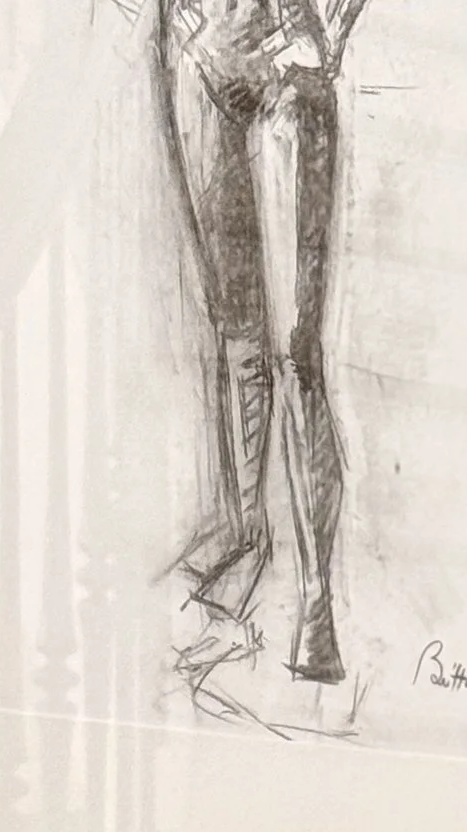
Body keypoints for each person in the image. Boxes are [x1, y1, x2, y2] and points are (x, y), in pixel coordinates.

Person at [156, 0, 368, 685]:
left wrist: (325, 35)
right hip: (198, 49)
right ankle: (246, 548)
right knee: (238, 334)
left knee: (296, 356)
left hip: (287, 63)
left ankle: (316, 605)